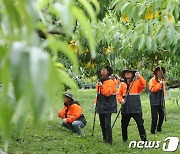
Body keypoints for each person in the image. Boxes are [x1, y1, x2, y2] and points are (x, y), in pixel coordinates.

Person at [117, 69, 147, 142]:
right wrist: (121, 100)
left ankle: (144, 140)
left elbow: (143, 84)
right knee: (124, 125)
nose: (127, 74)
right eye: (126, 73)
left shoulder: (136, 82)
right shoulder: (122, 84)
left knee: (140, 124)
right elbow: (119, 94)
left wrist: (139, 76)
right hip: (125, 108)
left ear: (132, 74)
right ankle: (124, 139)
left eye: (129, 73)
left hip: (136, 107)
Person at [95, 66, 117, 144]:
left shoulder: (110, 81)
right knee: (102, 123)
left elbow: (108, 93)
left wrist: (102, 86)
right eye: (101, 69)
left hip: (108, 104)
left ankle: (109, 140)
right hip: (100, 103)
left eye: (104, 70)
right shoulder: (100, 81)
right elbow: (98, 93)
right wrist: (96, 102)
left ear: (107, 72)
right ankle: (104, 138)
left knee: (107, 123)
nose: (102, 71)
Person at [149, 66, 166, 134]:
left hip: (160, 99)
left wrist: (164, 96)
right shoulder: (152, 80)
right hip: (154, 98)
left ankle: (159, 128)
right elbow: (153, 90)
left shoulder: (163, 79)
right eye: (159, 71)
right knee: (154, 116)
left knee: (162, 115)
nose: (160, 73)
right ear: (156, 72)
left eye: (161, 71)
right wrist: (160, 84)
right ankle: (152, 130)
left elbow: (164, 89)